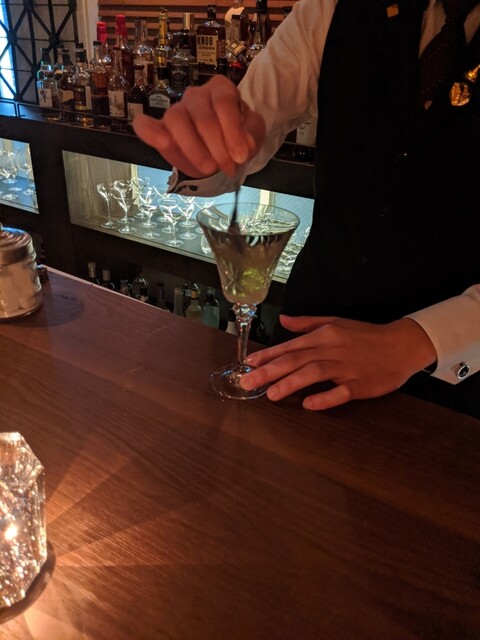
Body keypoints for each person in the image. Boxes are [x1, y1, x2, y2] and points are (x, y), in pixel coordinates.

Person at [134, 0, 480, 417]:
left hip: (455, 389)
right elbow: (252, 118)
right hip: (306, 348)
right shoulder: (331, 8)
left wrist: (419, 340)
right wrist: (210, 147)